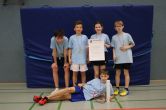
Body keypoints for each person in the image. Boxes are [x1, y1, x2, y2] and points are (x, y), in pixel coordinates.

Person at [33, 70, 114, 105]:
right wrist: (82, 84)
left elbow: (112, 95)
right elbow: (86, 83)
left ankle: (43, 99)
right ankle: (46, 97)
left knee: (65, 96)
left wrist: (108, 98)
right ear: (100, 76)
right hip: (83, 88)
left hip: (85, 96)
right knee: (68, 89)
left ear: (108, 76)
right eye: (102, 76)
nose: (103, 77)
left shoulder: (108, 85)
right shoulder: (96, 79)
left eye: (105, 76)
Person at [111, 20, 135, 96]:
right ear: (115, 28)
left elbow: (132, 44)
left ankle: (126, 89)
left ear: (123, 26)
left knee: (126, 73)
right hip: (118, 58)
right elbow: (113, 48)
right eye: (117, 26)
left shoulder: (127, 35)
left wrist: (126, 47)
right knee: (117, 73)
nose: (118, 28)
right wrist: (114, 55)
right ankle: (117, 88)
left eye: (120, 26)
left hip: (127, 57)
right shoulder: (114, 37)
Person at [68, 20, 89, 86]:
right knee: (74, 73)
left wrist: (88, 57)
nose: (78, 29)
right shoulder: (71, 37)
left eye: (80, 27)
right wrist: (69, 58)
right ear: (74, 29)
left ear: (82, 29)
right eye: (77, 27)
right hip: (75, 59)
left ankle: (83, 87)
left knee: (83, 73)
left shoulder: (85, 37)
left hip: (83, 58)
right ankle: (75, 87)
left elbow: (87, 48)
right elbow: (70, 49)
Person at [50, 29, 70, 94]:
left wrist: (65, 62)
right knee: (54, 68)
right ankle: (57, 88)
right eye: (58, 38)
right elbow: (54, 51)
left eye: (61, 38)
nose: (60, 40)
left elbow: (65, 51)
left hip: (64, 56)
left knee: (66, 68)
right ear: (55, 37)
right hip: (56, 56)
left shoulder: (66, 39)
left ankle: (67, 87)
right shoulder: (52, 39)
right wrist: (55, 62)